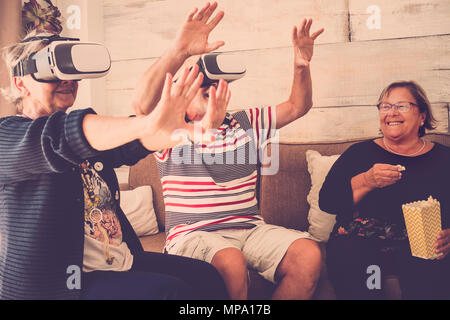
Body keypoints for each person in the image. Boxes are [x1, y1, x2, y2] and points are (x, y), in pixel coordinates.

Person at [0, 30, 229, 300]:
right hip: (62, 284)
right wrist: (147, 123)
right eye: (51, 72)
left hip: (117, 262)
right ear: (20, 84)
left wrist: (190, 128)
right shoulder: (9, 135)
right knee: (169, 293)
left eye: (69, 71)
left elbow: (133, 141)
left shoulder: (94, 135)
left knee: (205, 276)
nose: (66, 80)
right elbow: (59, 137)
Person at [132, 2, 324, 299]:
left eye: (217, 91)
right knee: (231, 261)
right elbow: (142, 105)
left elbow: (298, 106)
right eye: (204, 93)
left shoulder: (246, 121)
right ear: (182, 95)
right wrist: (179, 51)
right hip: (192, 236)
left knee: (308, 254)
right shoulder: (171, 128)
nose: (213, 99)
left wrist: (301, 66)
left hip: (249, 230)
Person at [319, 81, 450, 300]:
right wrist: (367, 181)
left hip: (422, 245)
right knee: (354, 260)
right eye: (385, 106)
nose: (392, 113)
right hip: (360, 243)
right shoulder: (359, 153)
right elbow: (328, 201)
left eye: (402, 106)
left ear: (422, 116)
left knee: (429, 271)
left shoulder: (444, 158)